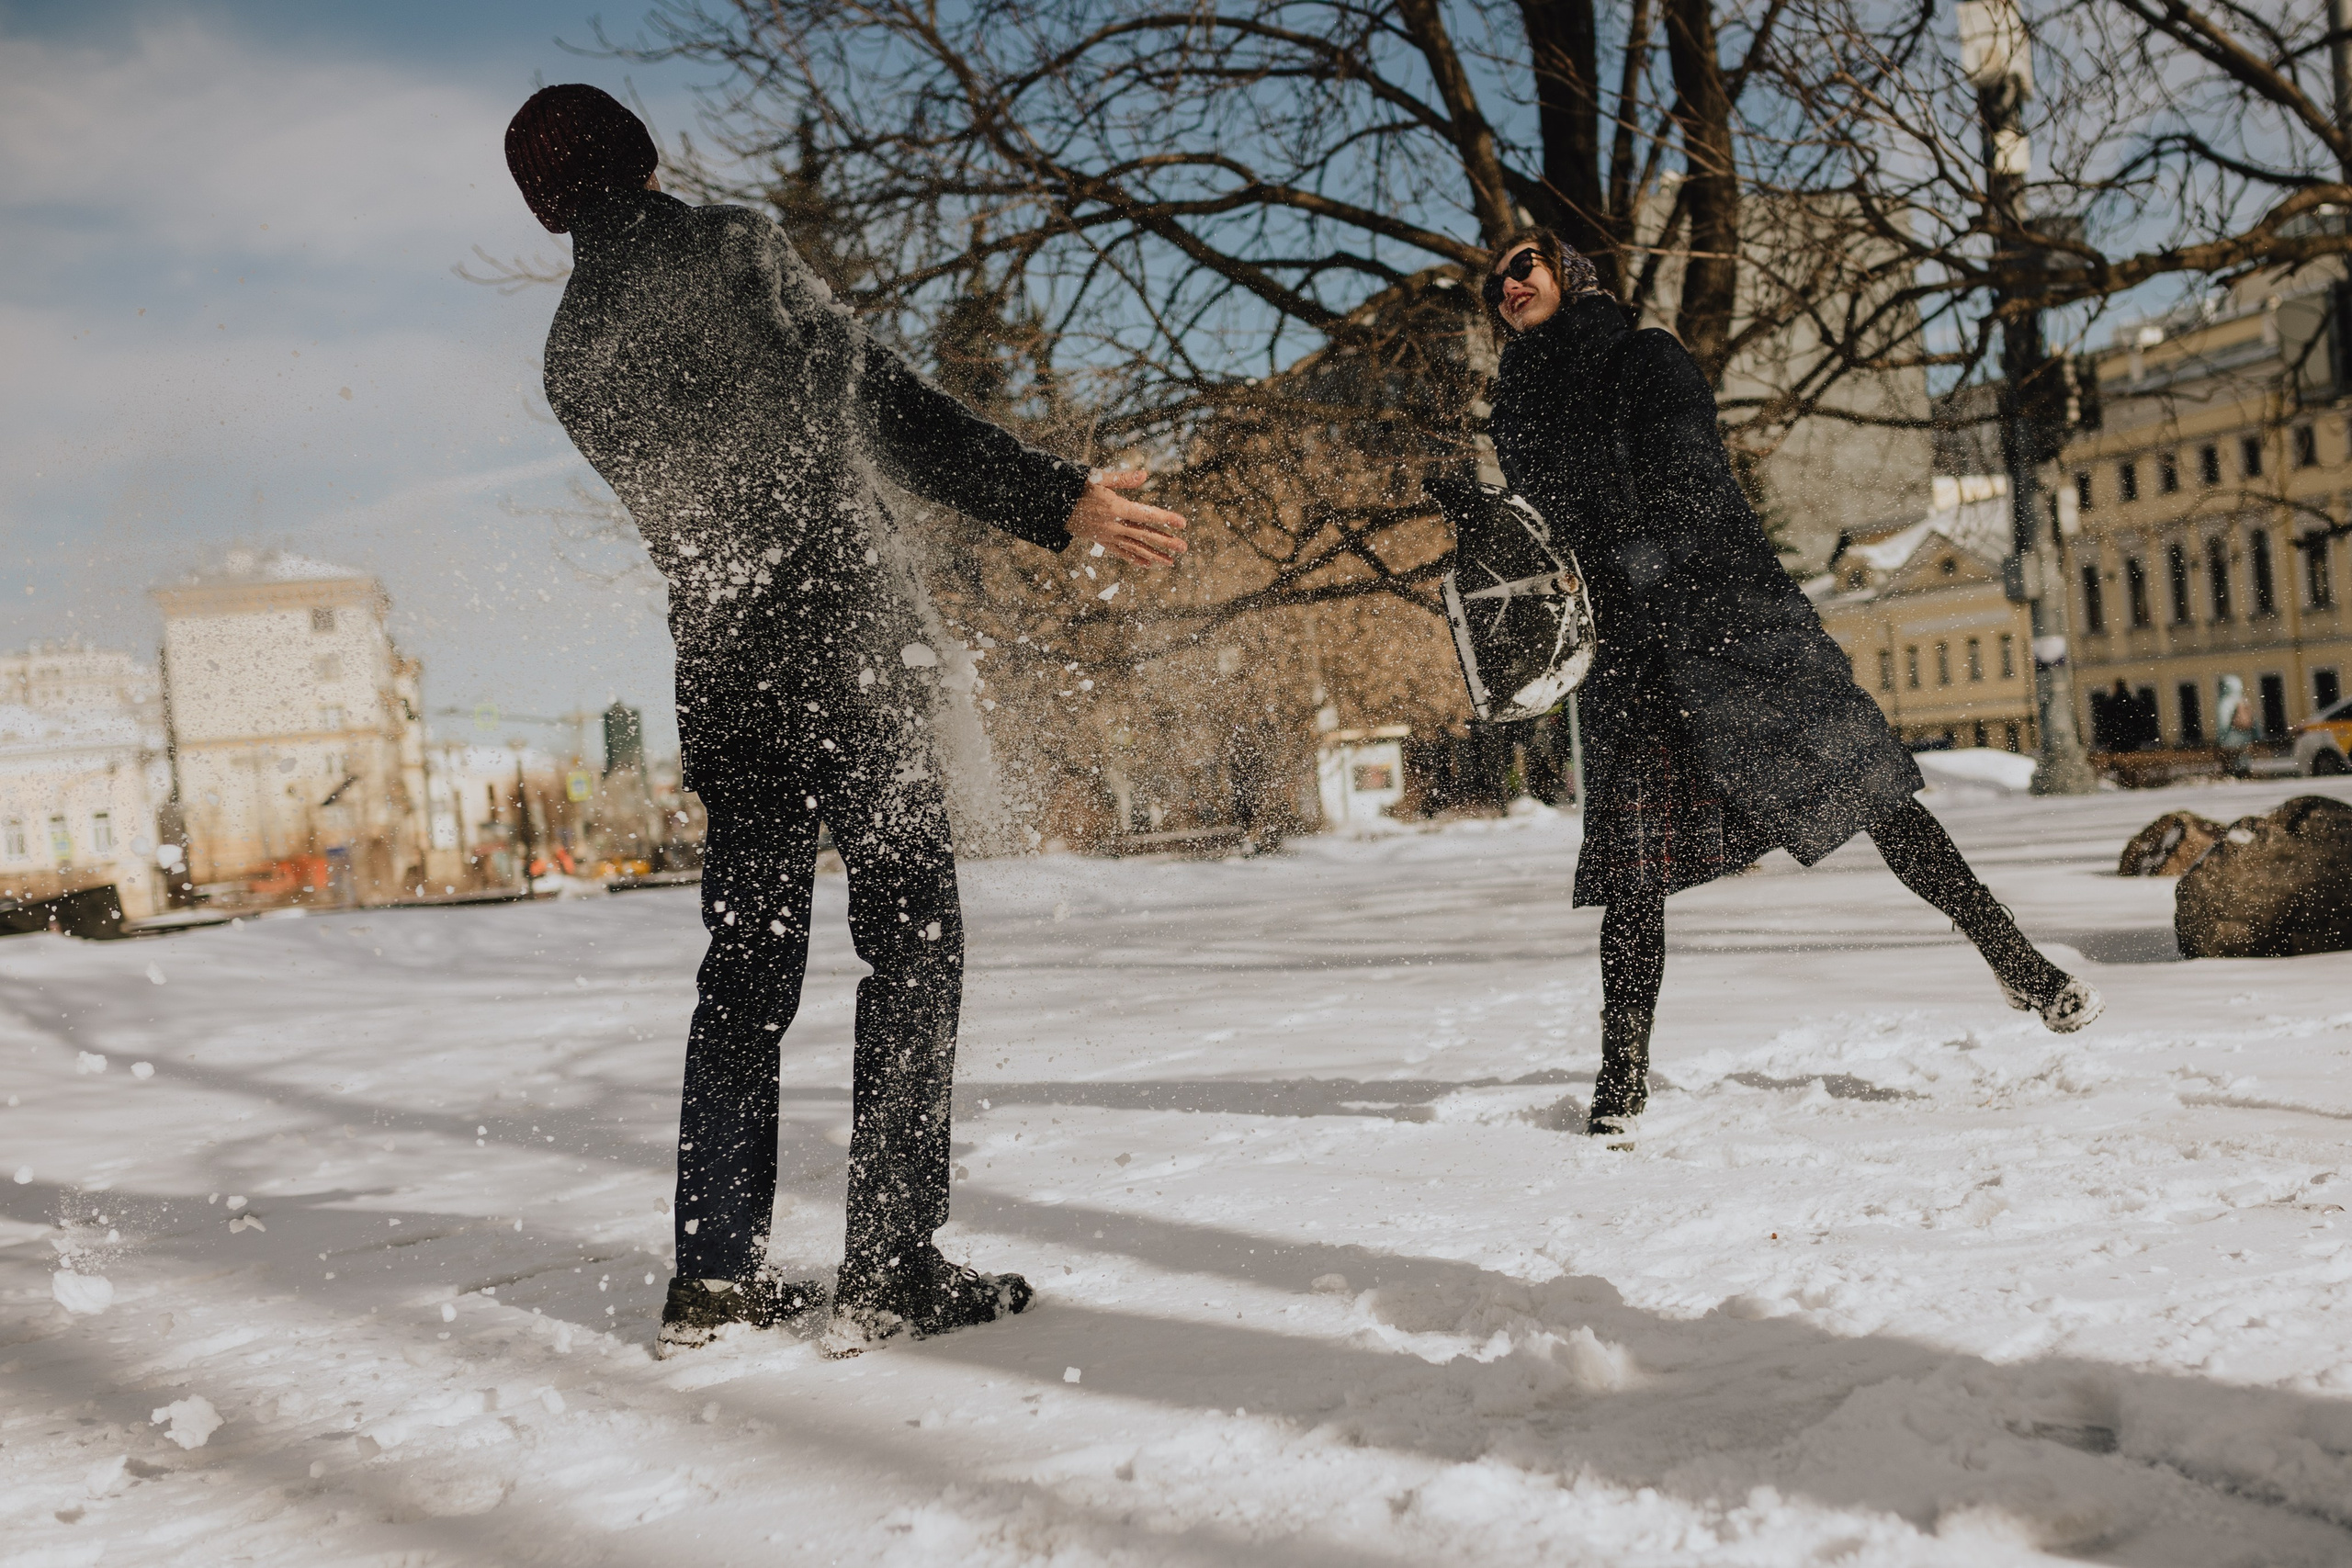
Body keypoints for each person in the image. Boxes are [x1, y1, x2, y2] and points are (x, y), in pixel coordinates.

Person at [504, 85, 1187, 1354]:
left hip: (727, 675)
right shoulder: (731, 247)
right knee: (911, 942)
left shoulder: (569, 349)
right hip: (845, 652)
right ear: (643, 160)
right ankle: (889, 1264)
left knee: (745, 972)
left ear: (546, 209)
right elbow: (874, 402)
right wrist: (1057, 498)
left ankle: (713, 1276)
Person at [1477, 229, 2102, 1145]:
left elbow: (1695, 477)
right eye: (1492, 282)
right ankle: (1621, 1075)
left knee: (1875, 794)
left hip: (1735, 620)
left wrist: (1652, 552)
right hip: (1630, 650)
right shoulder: (1517, 404)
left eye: (1520, 266)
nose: (1505, 286)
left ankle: (2018, 963)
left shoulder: (1644, 356)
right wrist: (1483, 522)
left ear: (1568, 273)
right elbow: (1543, 530)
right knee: (1632, 863)